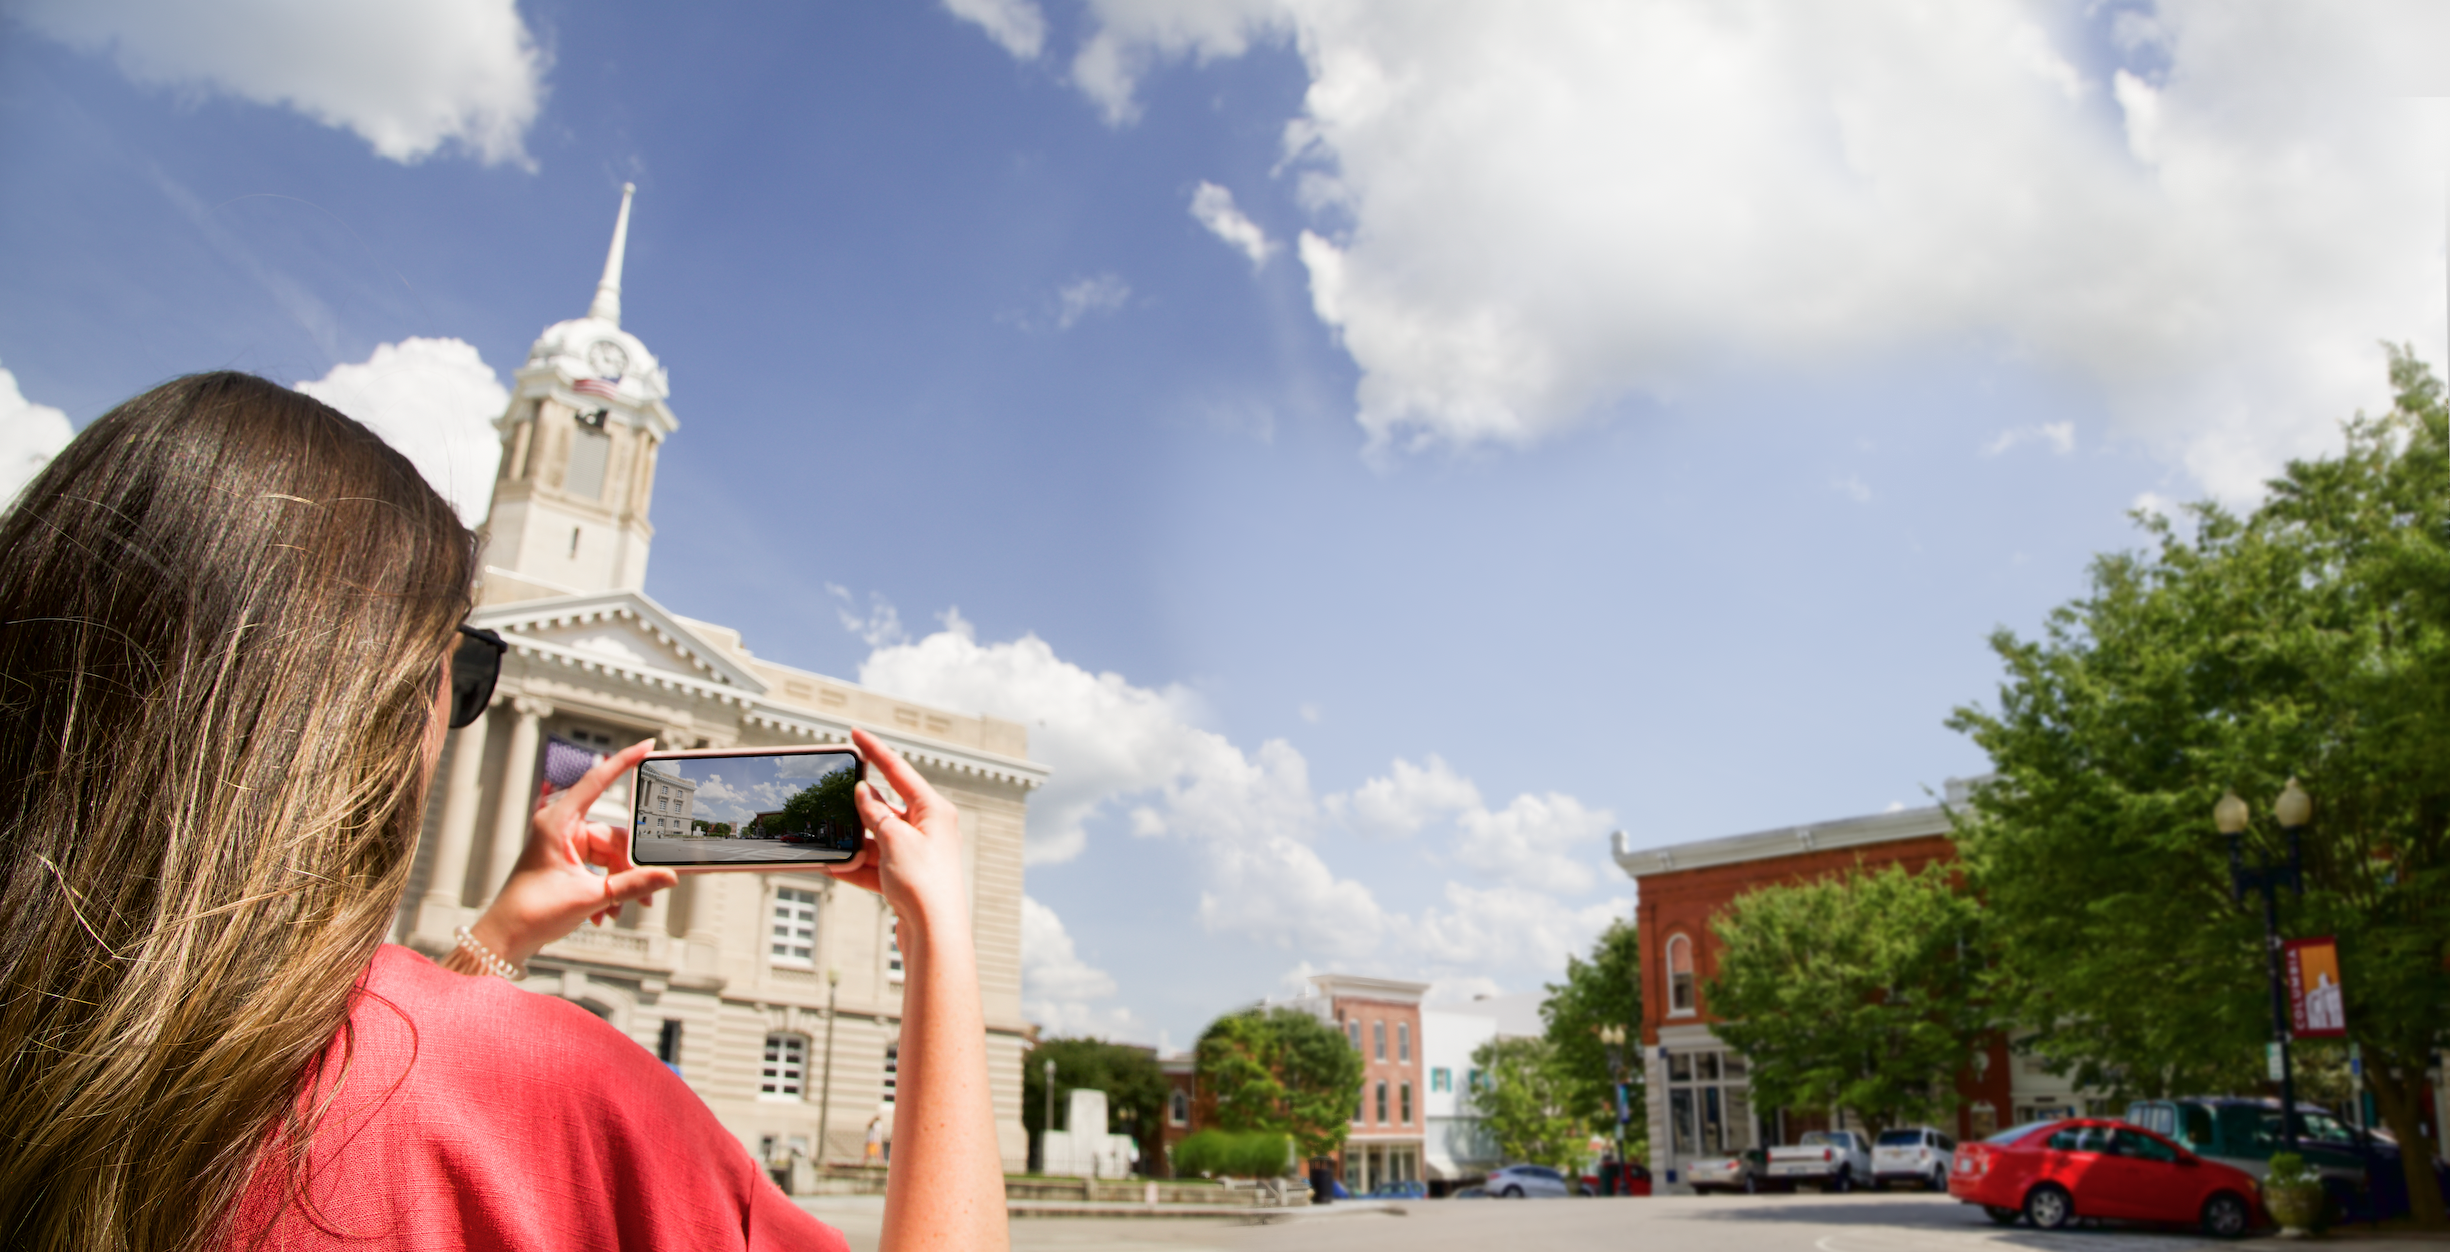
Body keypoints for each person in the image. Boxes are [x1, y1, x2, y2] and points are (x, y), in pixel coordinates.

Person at [0, 373, 1008, 1251]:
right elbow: (409, 1106)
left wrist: (495, 935)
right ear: (385, 712)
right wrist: (939, 938)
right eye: (465, 669)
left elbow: (339, 1087)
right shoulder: (559, 1092)